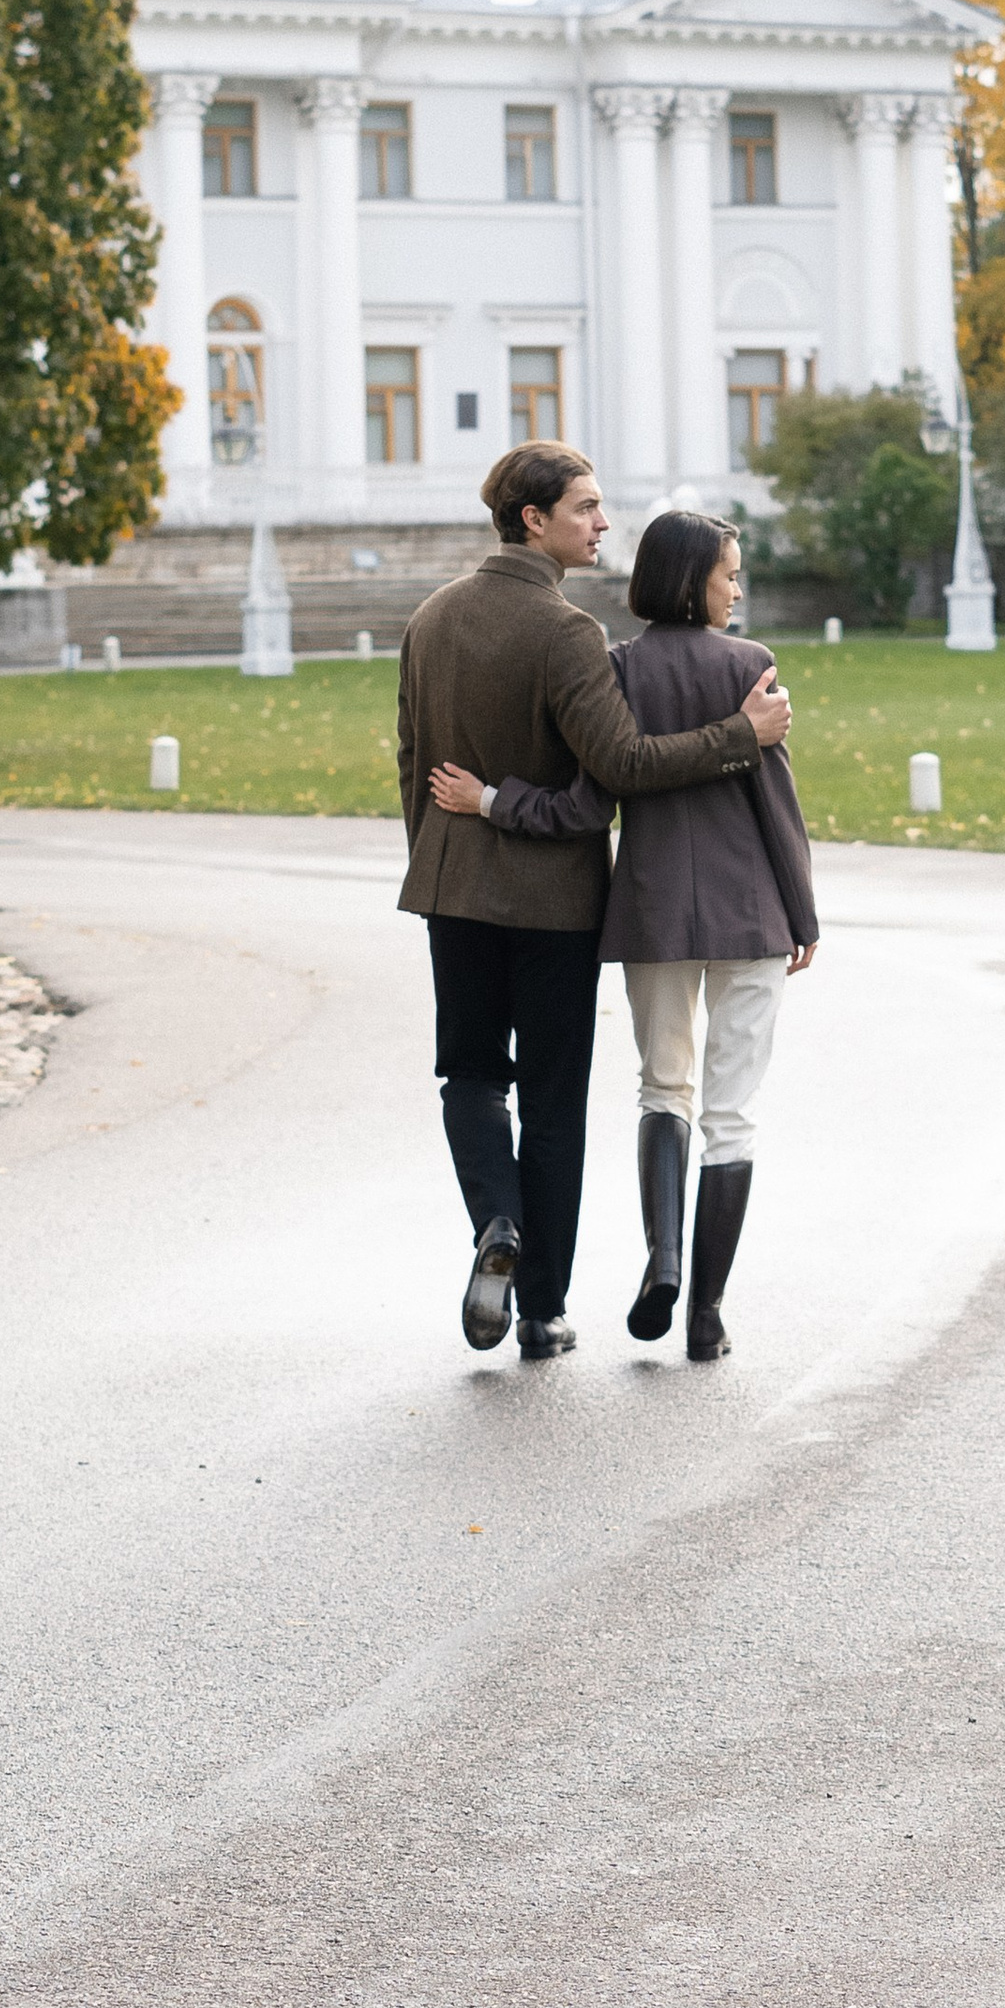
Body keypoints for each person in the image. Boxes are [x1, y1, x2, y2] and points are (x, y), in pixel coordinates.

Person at [396, 444, 791, 1362]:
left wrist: (438, 857)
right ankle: (541, 1310)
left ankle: (496, 1222)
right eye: (585, 508)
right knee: (552, 1102)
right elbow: (621, 768)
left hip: (453, 887)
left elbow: (413, 759)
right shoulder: (566, 632)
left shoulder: (430, 617)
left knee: (470, 1077)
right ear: (534, 520)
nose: (603, 523)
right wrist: (741, 734)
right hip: (555, 902)